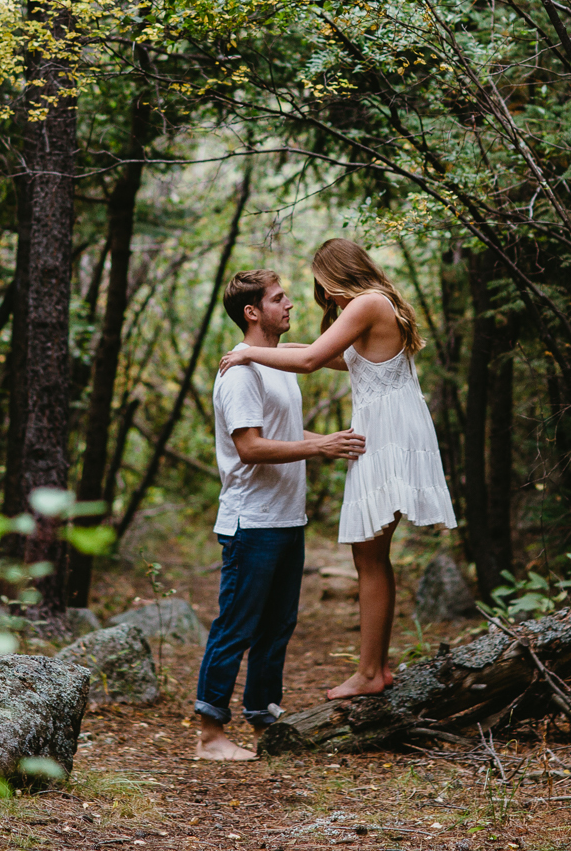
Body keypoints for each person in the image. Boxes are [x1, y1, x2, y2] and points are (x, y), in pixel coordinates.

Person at [217, 239, 456, 700]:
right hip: (393, 428)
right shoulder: (377, 304)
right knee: (371, 555)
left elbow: (306, 361)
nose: (317, 296)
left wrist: (247, 353)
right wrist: (258, 350)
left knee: (369, 556)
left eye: (319, 285)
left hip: (386, 435)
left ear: (333, 275)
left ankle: (370, 673)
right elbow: (323, 354)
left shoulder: (367, 303)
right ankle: (376, 668)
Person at [194, 268, 366, 761]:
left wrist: (331, 443)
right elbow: (249, 448)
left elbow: (284, 426)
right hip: (252, 522)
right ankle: (210, 733)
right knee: (237, 626)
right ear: (252, 312)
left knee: (277, 628)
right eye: (279, 298)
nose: (289, 304)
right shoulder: (240, 373)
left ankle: (264, 718)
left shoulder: (274, 364)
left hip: (287, 518)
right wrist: (318, 448)